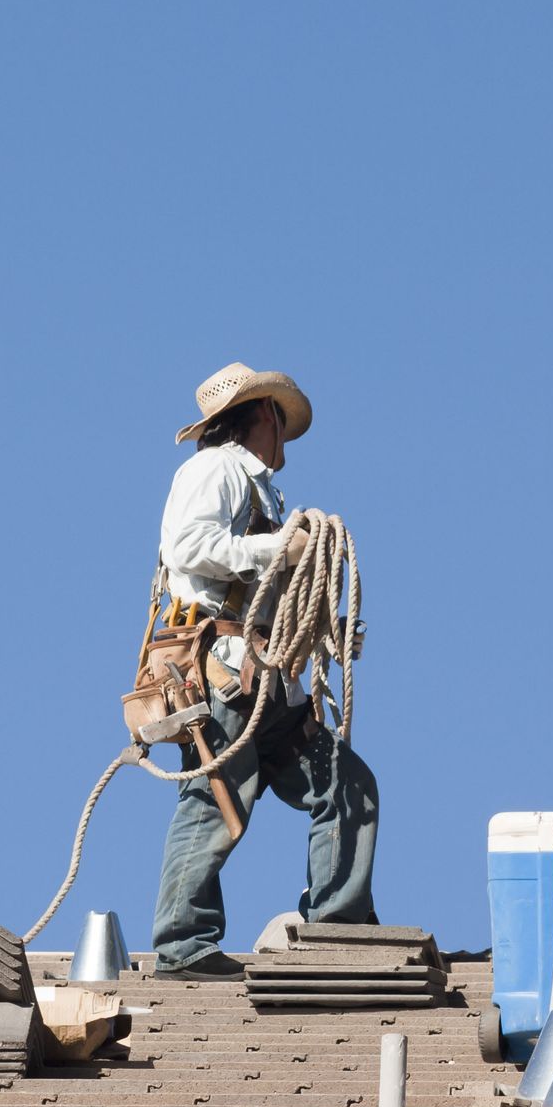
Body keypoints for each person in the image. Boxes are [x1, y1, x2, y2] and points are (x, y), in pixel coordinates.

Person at [149, 363, 379, 980]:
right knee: (216, 795)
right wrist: (277, 548)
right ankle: (183, 943)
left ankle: (339, 927)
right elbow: (189, 548)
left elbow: (272, 590)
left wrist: (322, 623)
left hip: (266, 678)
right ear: (264, 416)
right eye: (280, 420)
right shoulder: (213, 470)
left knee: (344, 782)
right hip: (221, 669)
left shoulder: (260, 488)